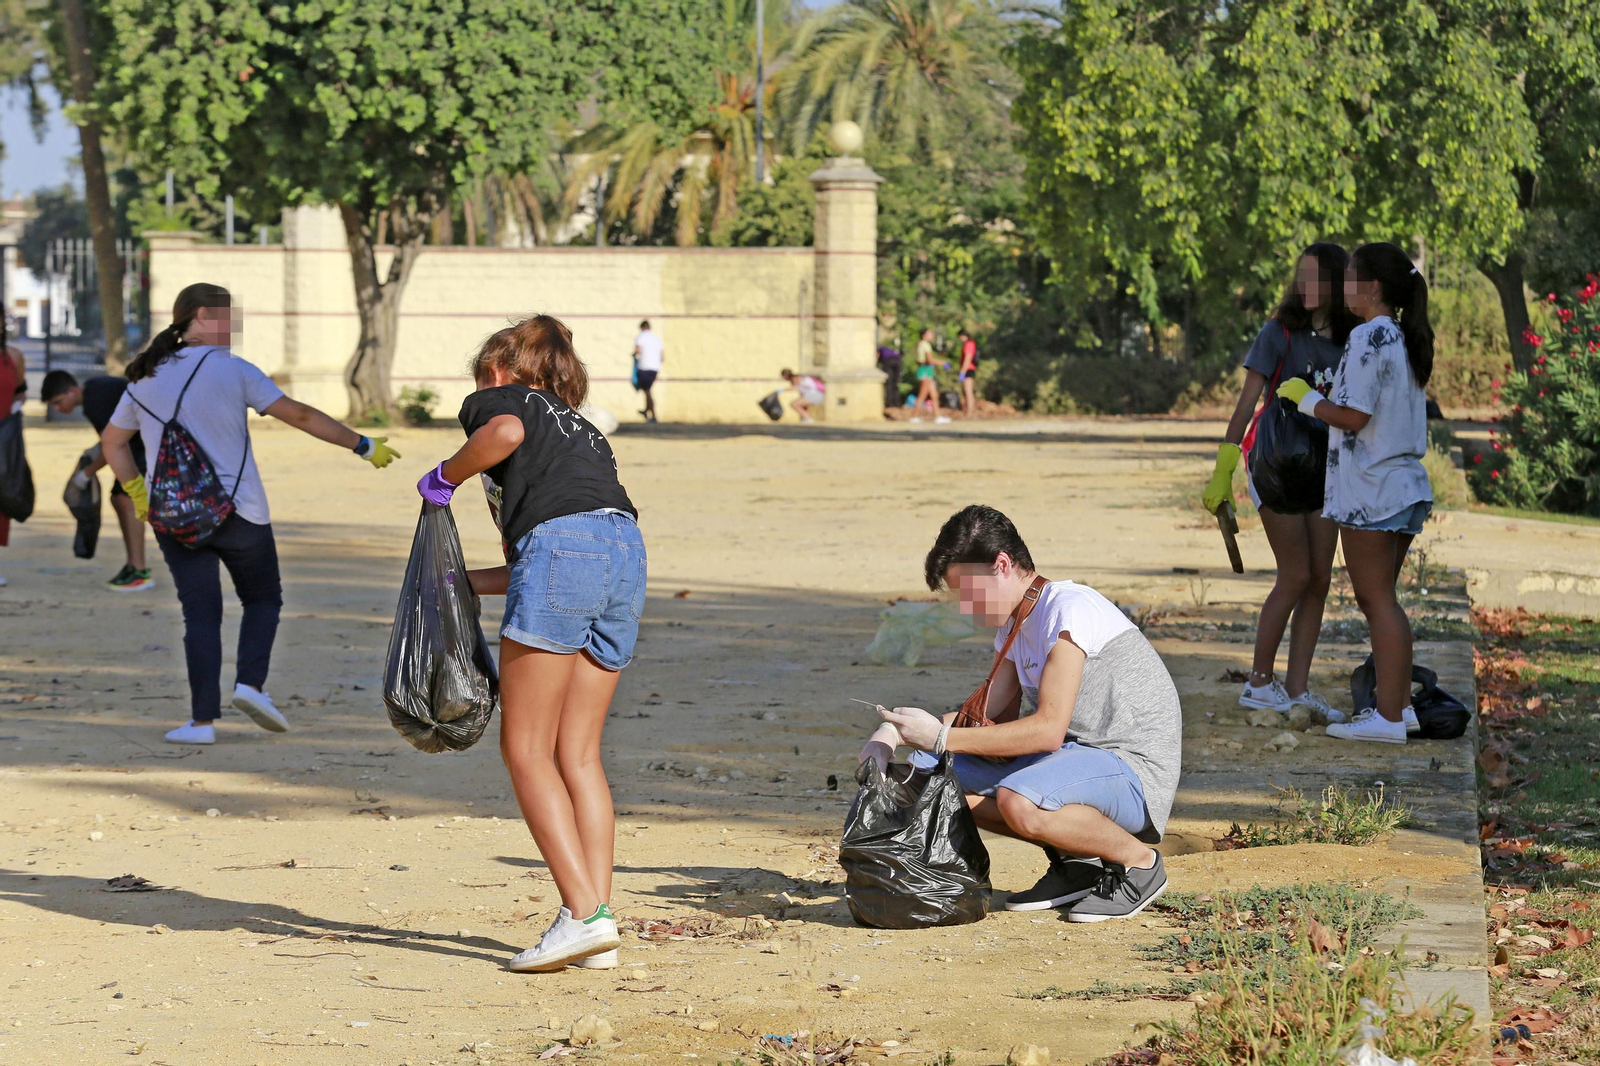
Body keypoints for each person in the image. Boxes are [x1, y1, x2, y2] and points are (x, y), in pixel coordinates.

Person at [418, 314, 644, 972]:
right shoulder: (584, 434)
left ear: (496, 368)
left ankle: (582, 913)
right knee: (578, 755)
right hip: (625, 552)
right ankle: (597, 921)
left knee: (525, 748)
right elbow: (548, 562)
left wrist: (445, 476)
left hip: (563, 556)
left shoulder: (503, 401)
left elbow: (506, 435)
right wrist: (456, 581)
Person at [101, 283, 399, 745]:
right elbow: (297, 414)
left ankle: (201, 723)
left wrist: (139, 493)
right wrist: (361, 444)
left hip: (175, 517)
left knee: (199, 616)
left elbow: (113, 443)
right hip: (241, 511)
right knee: (262, 600)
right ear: (201, 315)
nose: (234, 326)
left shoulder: (145, 376)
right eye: (228, 316)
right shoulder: (234, 370)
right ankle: (250, 686)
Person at [864, 505, 1181, 920]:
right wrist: (891, 735)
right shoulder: (1015, 626)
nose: (966, 608)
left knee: (1018, 800)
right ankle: (1078, 864)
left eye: (968, 592)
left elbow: (1047, 731)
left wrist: (942, 738)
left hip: (1134, 771)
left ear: (1001, 565)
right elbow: (979, 722)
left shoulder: (1068, 608)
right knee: (926, 774)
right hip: (1079, 763)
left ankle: (1139, 865)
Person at [1278, 243, 1434, 745]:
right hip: (1404, 485)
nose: (1342, 286)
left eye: (1349, 278)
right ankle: (1400, 708)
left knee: (1377, 601)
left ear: (1372, 288)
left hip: (1373, 489)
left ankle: (1387, 718)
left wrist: (1307, 400)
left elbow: (1355, 417)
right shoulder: (1404, 337)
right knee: (1385, 600)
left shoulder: (1370, 335)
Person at [1201, 244, 1361, 724]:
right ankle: (1258, 682)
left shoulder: (1356, 340)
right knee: (1294, 574)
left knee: (1319, 580)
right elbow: (1247, 401)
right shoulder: (1278, 332)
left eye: (1316, 278)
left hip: (1329, 468)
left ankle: (1295, 690)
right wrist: (1223, 468)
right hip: (1276, 465)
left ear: (1338, 283)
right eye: (1301, 277)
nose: (1306, 287)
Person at [41, 369, 155, 591]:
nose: (58, 408)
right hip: (138, 444)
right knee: (118, 499)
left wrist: (86, 474)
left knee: (126, 500)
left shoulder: (94, 399)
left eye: (58, 402)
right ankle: (133, 564)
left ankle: (139, 571)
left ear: (73, 391)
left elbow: (110, 445)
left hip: (145, 445)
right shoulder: (95, 390)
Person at [0, 330, 24, 588]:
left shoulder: (13, 357)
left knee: (1, 496)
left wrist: (17, 407)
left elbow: (20, 391)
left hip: (3, 437)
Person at [911, 328, 950, 424]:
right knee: (922, 395)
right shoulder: (926, 345)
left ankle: (937, 416)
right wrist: (943, 363)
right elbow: (930, 360)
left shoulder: (920, 344)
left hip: (925, 369)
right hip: (925, 371)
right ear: (924, 335)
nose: (932, 336)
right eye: (930, 334)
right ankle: (915, 416)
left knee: (934, 395)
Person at [633, 319, 663, 424]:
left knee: (647, 392)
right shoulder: (657, 339)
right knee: (647, 391)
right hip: (654, 369)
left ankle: (653, 415)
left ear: (642, 327)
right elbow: (662, 357)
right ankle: (646, 411)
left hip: (644, 367)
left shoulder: (641, 336)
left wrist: (633, 354)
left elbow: (637, 350)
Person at [957, 330, 979, 417]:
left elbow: (967, 358)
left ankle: (969, 413)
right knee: (966, 391)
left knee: (968, 391)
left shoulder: (969, 344)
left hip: (968, 370)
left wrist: (962, 372)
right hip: (968, 369)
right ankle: (968, 411)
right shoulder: (970, 343)